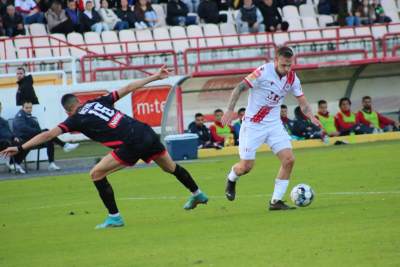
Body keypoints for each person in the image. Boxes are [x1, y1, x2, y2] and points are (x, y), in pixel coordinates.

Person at [1, 66, 209, 229]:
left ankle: (115, 218)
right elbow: (128, 88)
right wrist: (155, 77)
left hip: (132, 142)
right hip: (145, 131)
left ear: (68, 110)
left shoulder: (75, 119)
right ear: (80, 101)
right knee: (170, 167)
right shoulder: (97, 102)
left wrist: (20, 148)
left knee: (96, 174)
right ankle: (197, 193)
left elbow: (48, 135)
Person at [221, 46, 321, 210]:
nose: (287, 69)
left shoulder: (292, 79)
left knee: (289, 160)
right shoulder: (262, 72)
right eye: (283, 65)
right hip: (253, 125)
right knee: (246, 167)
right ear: (276, 61)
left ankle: (276, 201)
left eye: (289, 65)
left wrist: (311, 116)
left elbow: (302, 103)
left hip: (274, 124)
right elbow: (239, 88)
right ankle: (232, 178)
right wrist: (230, 110)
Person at [12, 101, 80, 172]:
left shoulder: (29, 116)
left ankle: (51, 164)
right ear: (22, 108)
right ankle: (64, 145)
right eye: (27, 108)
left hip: (33, 138)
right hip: (25, 139)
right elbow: (22, 128)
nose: (29, 109)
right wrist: (39, 132)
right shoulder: (20, 116)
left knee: (49, 139)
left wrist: (40, 133)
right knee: (46, 132)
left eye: (30, 107)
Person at [0, 101, 26, 173]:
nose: (0, 108)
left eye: (0, 107)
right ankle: (12, 164)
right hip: (2, 141)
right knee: (9, 143)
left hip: (8, 140)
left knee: (24, 144)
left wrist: (14, 136)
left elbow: (10, 132)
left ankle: (14, 163)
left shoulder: (3, 120)